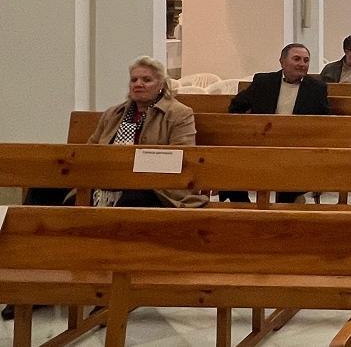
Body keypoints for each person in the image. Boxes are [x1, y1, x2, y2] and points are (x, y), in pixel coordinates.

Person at [3, 56, 205, 322]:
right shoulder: (115, 113)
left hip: (157, 190)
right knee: (43, 190)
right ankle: (35, 279)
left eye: (146, 79)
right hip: (104, 183)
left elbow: (181, 158)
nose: (139, 84)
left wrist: (131, 165)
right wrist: (100, 169)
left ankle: (108, 288)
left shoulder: (179, 113)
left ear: (161, 84)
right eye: (134, 79)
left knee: (130, 203)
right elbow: (89, 153)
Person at [225, 43, 331, 203]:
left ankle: (285, 209)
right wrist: (251, 129)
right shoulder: (263, 82)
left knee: (292, 176)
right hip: (260, 145)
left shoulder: (317, 88)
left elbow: (323, 121)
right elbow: (236, 107)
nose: (302, 64)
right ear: (282, 61)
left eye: (306, 60)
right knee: (229, 168)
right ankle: (244, 210)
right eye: (297, 59)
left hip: (297, 149)